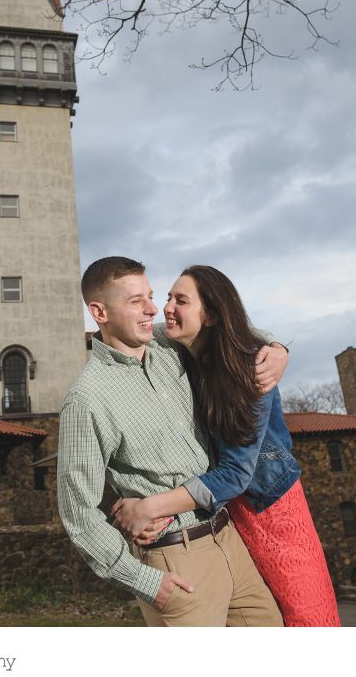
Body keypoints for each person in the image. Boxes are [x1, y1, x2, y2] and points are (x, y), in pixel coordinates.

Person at [58, 256, 288, 626]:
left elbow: (229, 329)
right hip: (176, 561)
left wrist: (277, 349)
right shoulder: (87, 399)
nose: (153, 309)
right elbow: (78, 514)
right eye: (136, 302)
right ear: (99, 311)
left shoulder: (169, 344)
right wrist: (144, 581)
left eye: (150, 296)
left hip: (230, 539)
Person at [110, 265, 340, 626]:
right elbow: (122, 331)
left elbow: (234, 473)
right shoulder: (182, 348)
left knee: (306, 615)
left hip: (272, 508)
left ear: (212, 314)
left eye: (180, 300)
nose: (166, 307)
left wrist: (151, 507)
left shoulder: (249, 371)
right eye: (167, 297)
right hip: (228, 512)